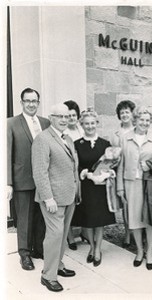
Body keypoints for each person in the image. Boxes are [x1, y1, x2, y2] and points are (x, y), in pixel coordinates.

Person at [32, 103, 79, 292]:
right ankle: (48, 275)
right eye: (59, 116)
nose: (63, 120)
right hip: (52, 198)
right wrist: (48, 198)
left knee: (62, 234)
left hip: (69, 196)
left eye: (66, 117)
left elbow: (71, 167)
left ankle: (58, 265)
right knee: (54, 236)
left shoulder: (68, 138)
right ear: (51, 117)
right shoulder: (43, 139)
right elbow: (40, 171)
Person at [117, 106, 152, 270]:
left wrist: (150, 165)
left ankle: (150, 252)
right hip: (131, 183)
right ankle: (139, 251)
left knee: (148, 219)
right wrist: (120, 188)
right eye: (141, 119)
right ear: (135, 120)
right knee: (134, 219)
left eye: (147, 120)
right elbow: (120, 164)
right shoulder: (125, 138)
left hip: (149, 183)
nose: (144, 123)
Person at [7, 87, 50, 270]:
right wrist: (8, 182)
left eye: (34, 101)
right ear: (22, 102)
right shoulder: (10, 123)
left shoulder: (46, 123)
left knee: (40, 217)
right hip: (22, 179)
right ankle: (24, 254)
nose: (31, 104)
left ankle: (38, 249)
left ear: (38, 103)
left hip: (43, 180)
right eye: (28, 101)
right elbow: (6, 154)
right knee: (24, 218)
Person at [73, 108, 116, 267]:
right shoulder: (76, 144)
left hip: (101, 188)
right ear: (81, 124)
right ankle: (91, 245)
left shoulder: (105, 144)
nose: (90, 126)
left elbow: (112, 165)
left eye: (92, 123)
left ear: (97, 123)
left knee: (99, 220)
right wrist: (86, 174)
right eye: (86, 123)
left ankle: (97, 249)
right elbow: (74, 166)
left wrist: (106, 174)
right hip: (86, 187)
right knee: (86, 221)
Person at [110, 100, 135, 247]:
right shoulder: (115, 135)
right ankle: (127, 233)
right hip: (121, 172)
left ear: (132, 114)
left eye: (127, 112)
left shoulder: (138, 130)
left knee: (138, 204)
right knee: (126, 205)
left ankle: (139, 232)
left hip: (136, 172)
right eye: (122, 112)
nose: (125, 115)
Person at [63, 100, 85, 250]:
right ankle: (69, 237)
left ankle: (84, 232)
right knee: (69, 204)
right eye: (69, 115)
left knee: (83, 204)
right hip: (69, 171)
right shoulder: (64, 133)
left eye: (74, 115)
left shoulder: (81, 130)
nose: (71, 118)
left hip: (82, 170)